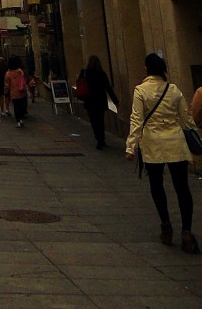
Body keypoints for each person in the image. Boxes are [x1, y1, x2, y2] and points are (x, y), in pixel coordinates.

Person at [125, 53, 198, 254]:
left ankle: (166, 225)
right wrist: (197, 138)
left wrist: (131, 147)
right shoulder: (174, 90)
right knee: (182, 187)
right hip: (175, 142)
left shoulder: (141, 90)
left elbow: (136, 120)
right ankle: (187, 232)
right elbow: (187, 119)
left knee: (157, 186)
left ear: (147, 68)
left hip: (152, 144)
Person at [81, 55, 119, 149]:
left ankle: (98, 139)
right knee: (100, 120)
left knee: (94, 121)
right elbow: (108, 88)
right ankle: (102, 138)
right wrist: (116, 101)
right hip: (100, 100)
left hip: (90, 101)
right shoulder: (101, 74)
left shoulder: (86, 73)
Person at [4, 55, 28, 128]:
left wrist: (6, 92)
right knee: (21, 106)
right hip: (22, 91)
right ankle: (21, 118)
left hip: (14, 93)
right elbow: (24, 80)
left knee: (16, 107)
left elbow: (6, 84)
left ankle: (18, 120)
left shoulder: (8, 73)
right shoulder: (20, 71)